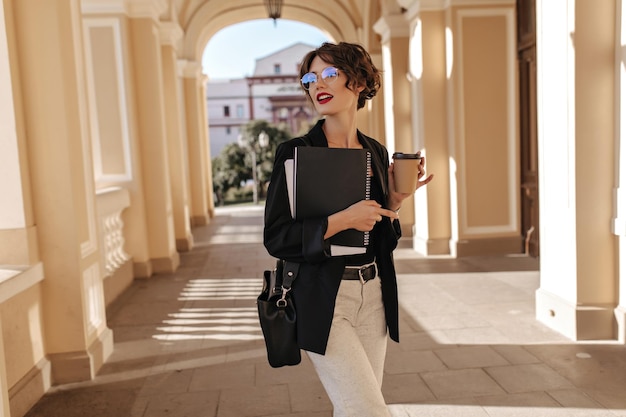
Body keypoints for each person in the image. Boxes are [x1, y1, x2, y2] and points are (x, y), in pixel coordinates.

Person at [263, 41, 434, 417]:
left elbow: (380, 239)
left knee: (353, 408)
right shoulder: (294, 153)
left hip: (373, 295)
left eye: (329, 74)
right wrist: (341, 221)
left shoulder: (376, 152)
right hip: (323, 298)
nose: (316, 84)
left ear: (357, 82)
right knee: (368, 410)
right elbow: (276, 237)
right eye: (310, 78)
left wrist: (395, 202)